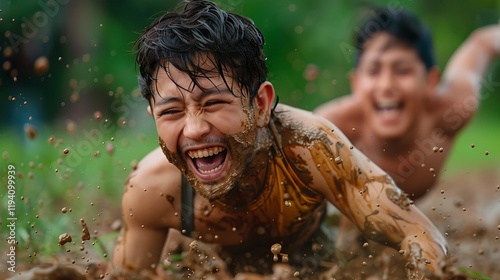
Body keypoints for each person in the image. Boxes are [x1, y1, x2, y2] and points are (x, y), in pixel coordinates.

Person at [111, 1, 448, 279]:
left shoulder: (310, 147)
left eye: (213, 103)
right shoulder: (151, 190)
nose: (195, 129)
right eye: (171, 112)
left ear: (259, 106)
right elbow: (129, 274)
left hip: (312, 251)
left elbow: (418, 233)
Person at [315, 8, 500, 200]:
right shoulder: (331, 130)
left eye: (402, 70)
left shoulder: (451, 110)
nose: (386, 85)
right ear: (356, 83)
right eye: (373, 70)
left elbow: (482, 44)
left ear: (430, 82)